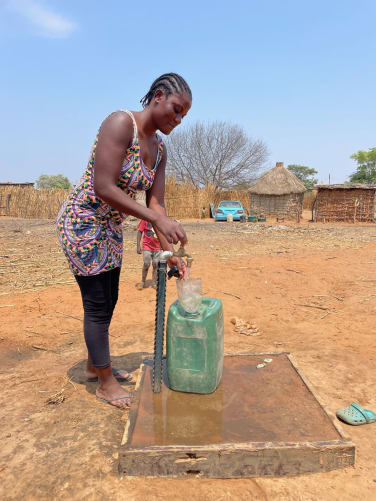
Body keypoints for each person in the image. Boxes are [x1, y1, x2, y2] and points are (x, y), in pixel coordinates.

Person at [57, 73, 192, 408]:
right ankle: (104, 383)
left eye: (183, 116)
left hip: (110, 226)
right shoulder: (121, 123)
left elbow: (155, 204)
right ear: (158, 96)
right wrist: (157, 219)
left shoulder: (160, 149)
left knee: (111, 298)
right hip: (83, 221)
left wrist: (169, 252)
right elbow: (103, 186)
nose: (177, 120)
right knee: (97, 304)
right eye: (175, 110)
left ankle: (94, 365)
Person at [137, 220, 161, 289]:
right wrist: (138, 246)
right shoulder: (144, 220)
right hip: (147, 246)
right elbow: (139, 232)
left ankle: (154, 283)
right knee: (146, 263)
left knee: (156, 264)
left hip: (158, 247)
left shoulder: (159, 220)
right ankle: (143, 281)